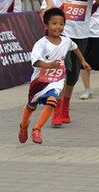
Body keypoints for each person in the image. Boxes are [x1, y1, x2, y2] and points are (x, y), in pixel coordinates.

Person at [18, 8, 90, 144]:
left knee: (52, 101)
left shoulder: (66, 41)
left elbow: (74, 47)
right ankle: (23, 126)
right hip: (39, 80)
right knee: (31, 106)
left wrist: (83, 61)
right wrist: (48, 65)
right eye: (54, 24)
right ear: (46, 25)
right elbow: (35, 61)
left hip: (56, 80)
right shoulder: (41, 44)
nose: (58, 27)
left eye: (61, 24)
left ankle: (37, 129)